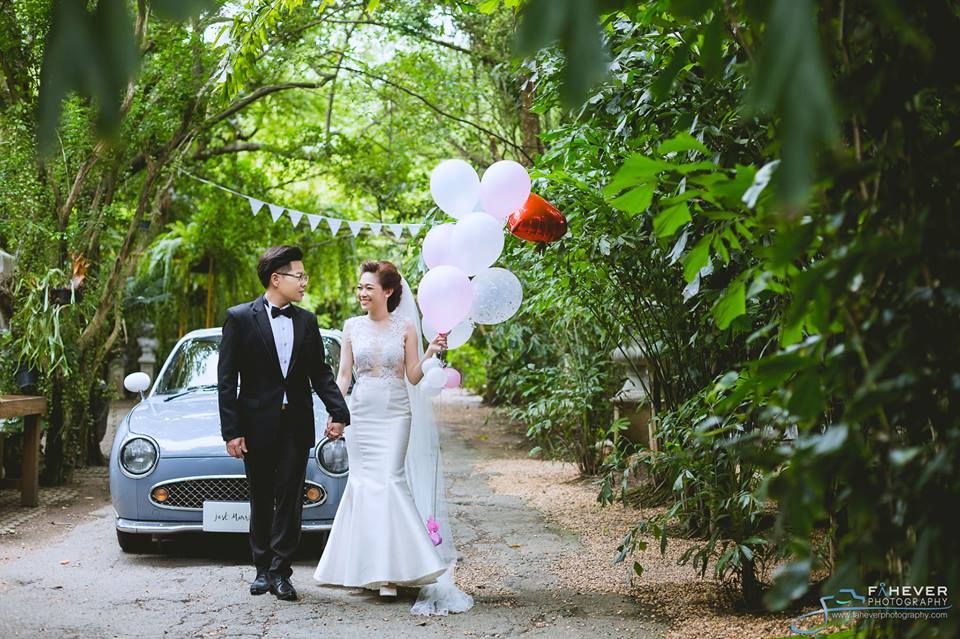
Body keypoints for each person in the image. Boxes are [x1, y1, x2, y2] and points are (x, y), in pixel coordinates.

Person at [314, 260, 473, 616]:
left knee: (389, 481)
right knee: (362, 485)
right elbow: (343, 376)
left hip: (395, 413)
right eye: (360, 287)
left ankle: (392, 573)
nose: (362, 293)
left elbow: (413, 376)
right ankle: (363, 569)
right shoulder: (351, 327)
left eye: (368, 287)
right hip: (361, 413)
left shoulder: (405, 328)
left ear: (387, 291)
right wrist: (336, 413)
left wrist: (430, 352)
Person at [218, 245, 350, 602]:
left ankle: (281, 571)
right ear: (276, 279)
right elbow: (227, 380)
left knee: (290, 499)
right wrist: (232, 431)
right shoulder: (239, 318)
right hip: (255, 424)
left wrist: (339, 412)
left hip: (296, 424)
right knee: (261, 497)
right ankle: (261, 568)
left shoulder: (307, 321)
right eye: (299, 276)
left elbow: (320, 373)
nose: (304, 282)